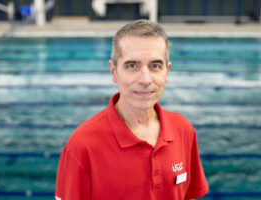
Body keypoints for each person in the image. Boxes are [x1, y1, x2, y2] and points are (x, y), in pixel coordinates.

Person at [55, 19, 208, 200]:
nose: (145, 79)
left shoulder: (183, 129)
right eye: (132, 65)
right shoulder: (81, 145)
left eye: (155, 66)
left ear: (167, 71)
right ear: (113, 72)